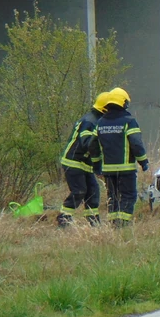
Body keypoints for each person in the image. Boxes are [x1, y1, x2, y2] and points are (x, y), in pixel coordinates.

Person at [89, 87, 149, 227]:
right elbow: (136, 143)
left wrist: (97, 165)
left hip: (108, 171)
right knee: (128, 196)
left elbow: (92, 145)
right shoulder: (129, 121)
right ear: (124, 103)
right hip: (126, 169)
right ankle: (123, 223)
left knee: (113, 197)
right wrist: (143, 161)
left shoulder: (100, 123)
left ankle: (114, 224)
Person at [57, 91, 110, 227]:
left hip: (85, 164)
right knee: (79, 191)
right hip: (74, 162)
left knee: (93, 191)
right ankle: (64, 219)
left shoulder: (95, 120)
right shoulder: (90, 122)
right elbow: (87, 143)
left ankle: (94, 222)